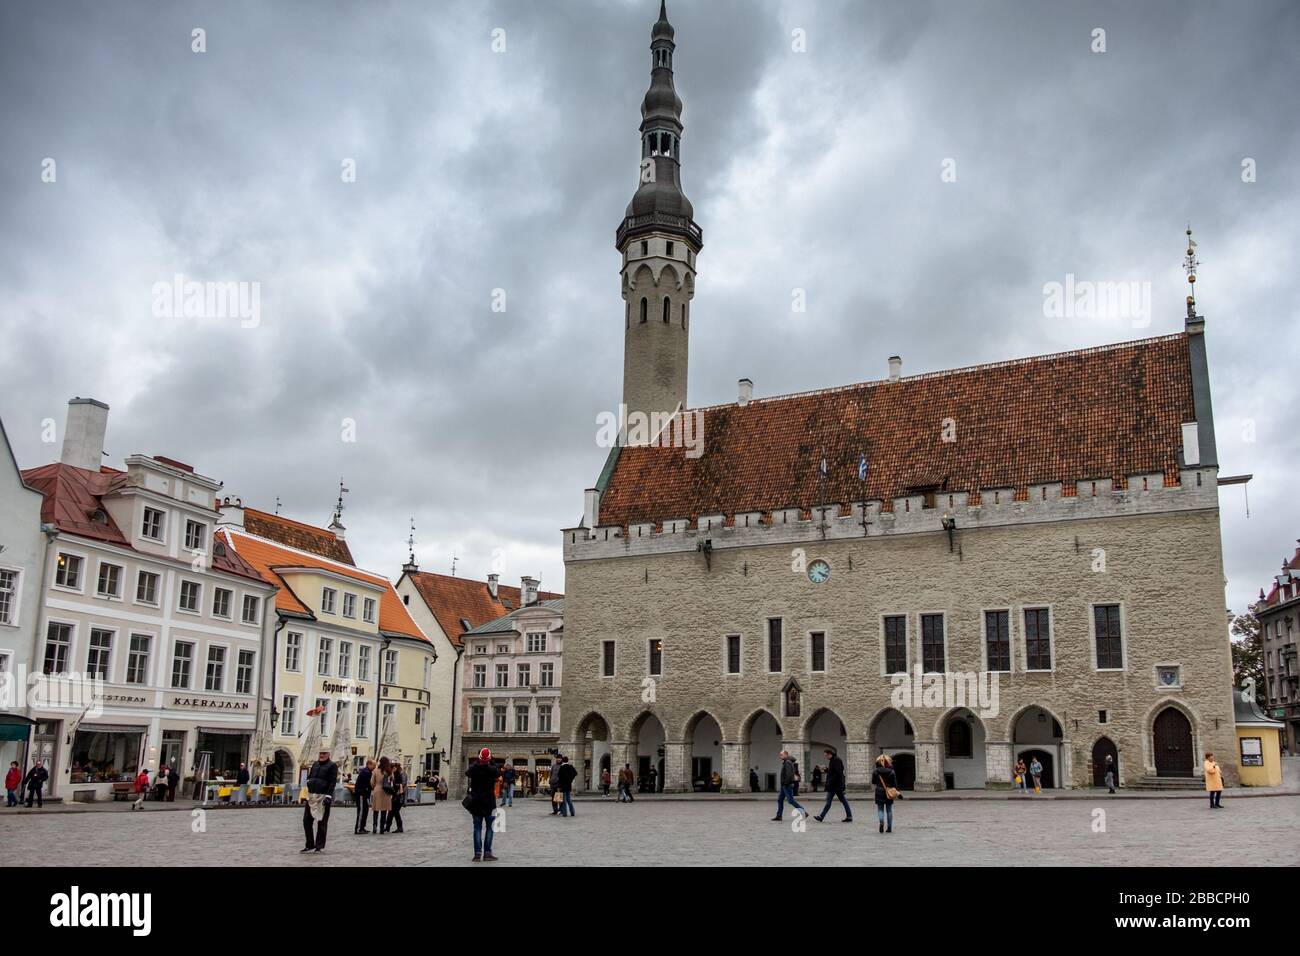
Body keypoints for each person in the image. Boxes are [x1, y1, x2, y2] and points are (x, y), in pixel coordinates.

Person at [302, 746, 338, 853]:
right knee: (306, 821)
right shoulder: (315, 764)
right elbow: (310, 776)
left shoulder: (332, 766)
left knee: (322, 822)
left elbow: (332, 782)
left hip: (323, 796)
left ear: (328, 755)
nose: (321, 755)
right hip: (312, 796)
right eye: (320, 753)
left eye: (324, 753)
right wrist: (309, 782)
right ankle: (309, 844)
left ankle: (319, 845)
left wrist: (328, 796)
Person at [465, 748, 499, 862]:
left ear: (479, 758)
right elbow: (498, 772)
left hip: (476, 802)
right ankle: (487, 853)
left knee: (477, 828)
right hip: (489, 802)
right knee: (490, 828)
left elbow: (468, 773)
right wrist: (491, 762)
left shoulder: (474, 768)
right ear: (489, 758)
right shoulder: (492, 769)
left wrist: (477, 762)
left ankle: (477, 853)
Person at [814, 747, 852, 823]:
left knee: (830, 802)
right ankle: (849, 816)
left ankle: (821, 816)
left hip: (835, 786)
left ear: (829, 754)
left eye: (826, 755)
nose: (825, 757)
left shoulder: (836, 760)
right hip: (834, 785)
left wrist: (829, 782)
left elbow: (838, 773)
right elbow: (833, 771)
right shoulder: (833, 760)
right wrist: (826, 769)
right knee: (842, 801)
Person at [771, 750, 805, 821]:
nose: (780, 756)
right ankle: (779, 816)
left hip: (787, 785)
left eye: (781, 755)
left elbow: (789, 774)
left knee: (791, 800)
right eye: (780, 755)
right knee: (780, 800)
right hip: (784, 785)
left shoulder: (788, 762)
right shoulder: (786, 762)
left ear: (786, 755)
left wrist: (786, 783)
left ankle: (803, 811)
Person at [872, 755, 897, 833]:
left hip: (879, 791)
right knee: (889, 810)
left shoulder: (875, 771)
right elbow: (895, 784)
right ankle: (889, 827)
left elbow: (873, 782)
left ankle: (881, 822)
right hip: (888, 792)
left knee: (880, 809)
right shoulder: (891, 772)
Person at [371, 757, 394, 834]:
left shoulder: (375, 771)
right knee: (384, 811)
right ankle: (381, 828)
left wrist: (375, 787)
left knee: (376, 810)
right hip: (386, 792)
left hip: (377, 790)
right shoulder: (388, 771)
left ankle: (374, 826)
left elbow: (372, 782)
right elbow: (392, 780)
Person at [354, 759, 374, 833]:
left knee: (365, 810)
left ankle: (362, 827)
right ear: (369, 764)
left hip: (364, 794)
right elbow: (368, 784)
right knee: (362, 811)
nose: (374, 767)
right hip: (362, 794)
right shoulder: (366, 772)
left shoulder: (367, 771)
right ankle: (359, 828)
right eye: (373, 765)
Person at [390, 763, 406, 834]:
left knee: (396, 812)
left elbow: (402, 784)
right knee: (393, 812)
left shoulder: (400, 774)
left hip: (398, 796)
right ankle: (388, 826)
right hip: (396, 795)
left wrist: (394, 784)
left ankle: (400, 827)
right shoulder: (394, 775)